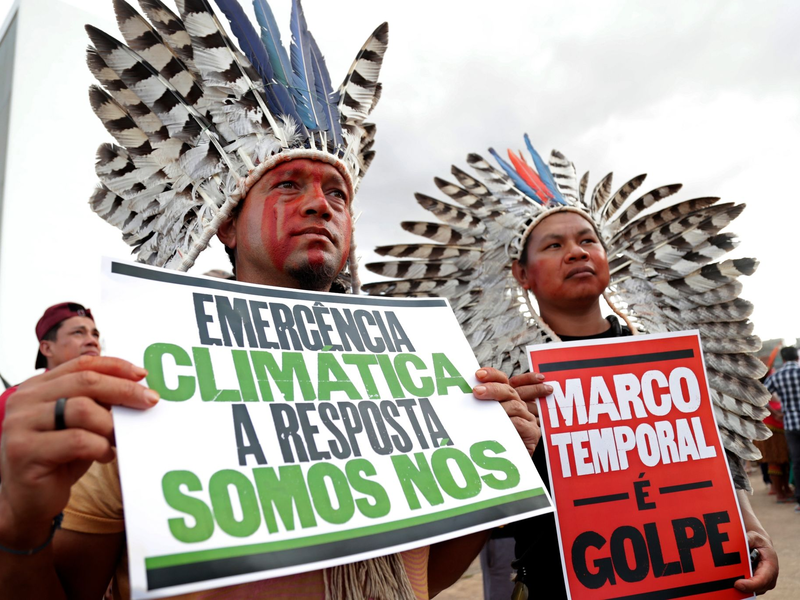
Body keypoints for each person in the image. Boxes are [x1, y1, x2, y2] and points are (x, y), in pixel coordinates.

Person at [0, 2, 538, 599]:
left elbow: (424, 580)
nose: (320, 204)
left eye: (337, 192)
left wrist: (499, 457)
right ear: (226, 225)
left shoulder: (414, 377)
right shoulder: (148, 385)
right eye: (288, 184)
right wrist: (18, 527)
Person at [365, 136, 779, 595]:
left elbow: (718, 454)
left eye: (587, 240)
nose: (577, 252)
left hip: (688, 577)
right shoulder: (499, 380)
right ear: (521, 274)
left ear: (606, 256)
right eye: (554, 245)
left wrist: (750, 525)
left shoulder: (663, 353)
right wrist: (503, 442)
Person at [0, 302, 100, 450]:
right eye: (78, 332)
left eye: (95, 334)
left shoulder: (118, 399)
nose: (93, 341)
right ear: (47, 348)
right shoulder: (14, 400)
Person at [765, 346, 800, 511]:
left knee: (797, 462)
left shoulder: (778, 375)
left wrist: (776, 412)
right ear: (797, 358)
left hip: (790, 423)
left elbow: (761, 396)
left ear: (783, 359)